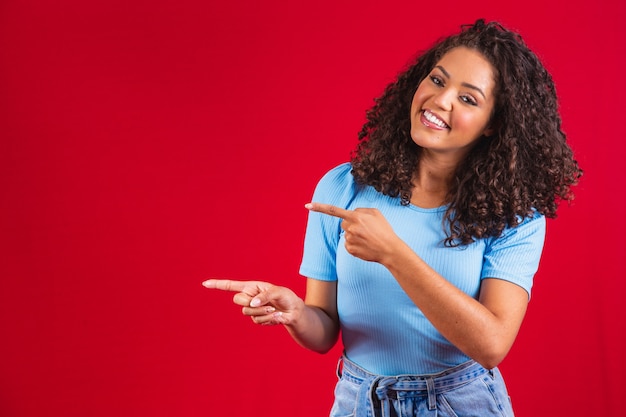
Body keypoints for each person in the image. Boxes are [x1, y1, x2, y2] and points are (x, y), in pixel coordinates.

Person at [203, 19, 582, 416]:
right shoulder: (342, 188)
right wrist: (296, 314)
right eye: (437, 80)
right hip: (359, 401)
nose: (440, 100)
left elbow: (491, 345)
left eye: (468, 99)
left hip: (460, 403)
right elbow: (325, 327)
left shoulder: (515, 216)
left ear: (494, 126)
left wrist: (393, 253)